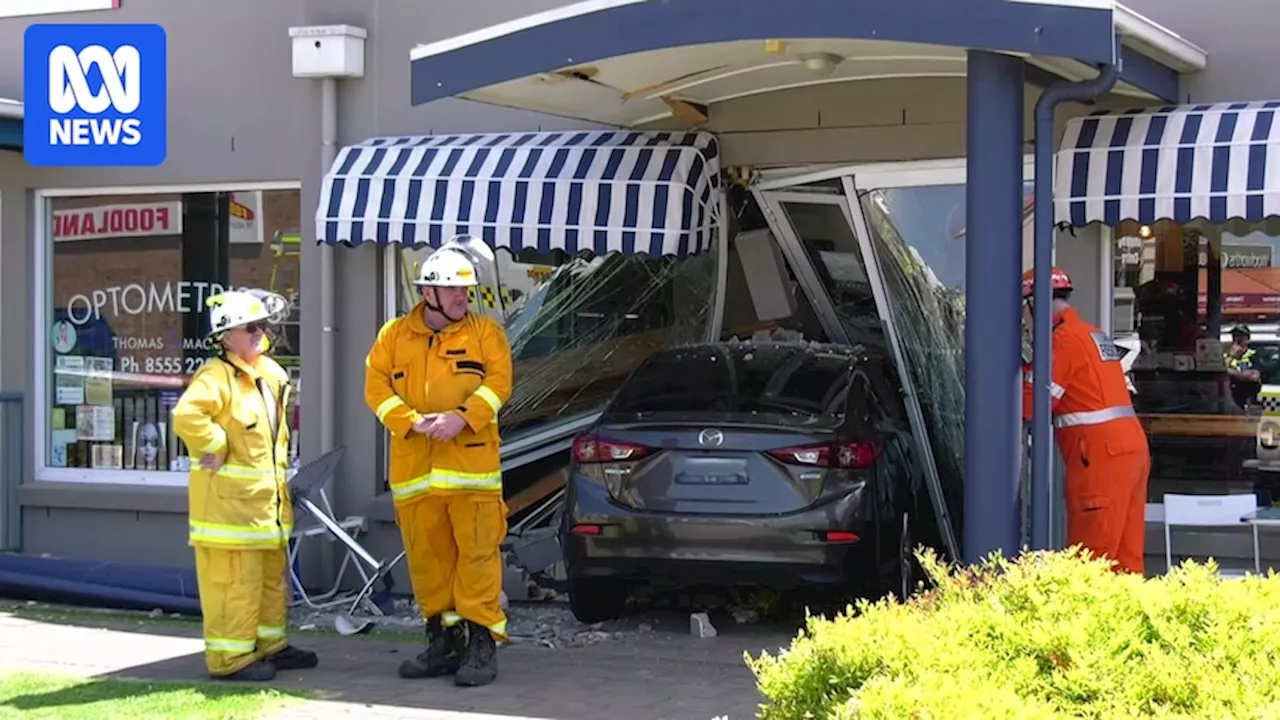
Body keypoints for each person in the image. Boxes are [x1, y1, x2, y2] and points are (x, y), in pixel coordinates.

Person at [364, 236, 513, 687]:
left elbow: (500, 385)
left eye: (465, 291)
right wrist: (409, 421)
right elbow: (376, 389)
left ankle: (481, 645)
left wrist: (462, 419)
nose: (461, 298)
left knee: (477, 560)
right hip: (415, 474)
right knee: (429, 564)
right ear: (427, 293)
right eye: (451, 290)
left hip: (471, 472)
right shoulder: (393, 336)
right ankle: (443, 644)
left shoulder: (485, 333)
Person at [172, 288, 318, 682]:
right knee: (236, 590)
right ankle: (230, 660)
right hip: (229, 518)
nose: (261, 332)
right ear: (225, 336)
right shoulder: (216, 377)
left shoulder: (266, 376)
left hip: (263, 516)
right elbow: (187, 417)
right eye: (250, 327)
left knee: (270, 584)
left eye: (263, 325)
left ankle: (271, 646)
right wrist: (215, 444)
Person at [1021, 267, 1151, 575]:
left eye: (1023, 313)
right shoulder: (1091, 333)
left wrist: (1018, 372)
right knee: (1124, 562)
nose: (1024, 324)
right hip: (1128, 452)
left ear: (1034, 305)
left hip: (1098, 458)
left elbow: (1031, 406)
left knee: (1089, 566)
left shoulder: (1061, 342)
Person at [1225, 324, 1262, 409]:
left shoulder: (1254, 355)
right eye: (1234, 336)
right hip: (1230, 402)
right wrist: (1231, 356)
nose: (1236, 339)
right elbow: (1220, 373)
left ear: (1248, 339)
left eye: (1240, 336)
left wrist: (1229, 372)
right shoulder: (1227, 355)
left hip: (1249, 402)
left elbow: (1254, 376)